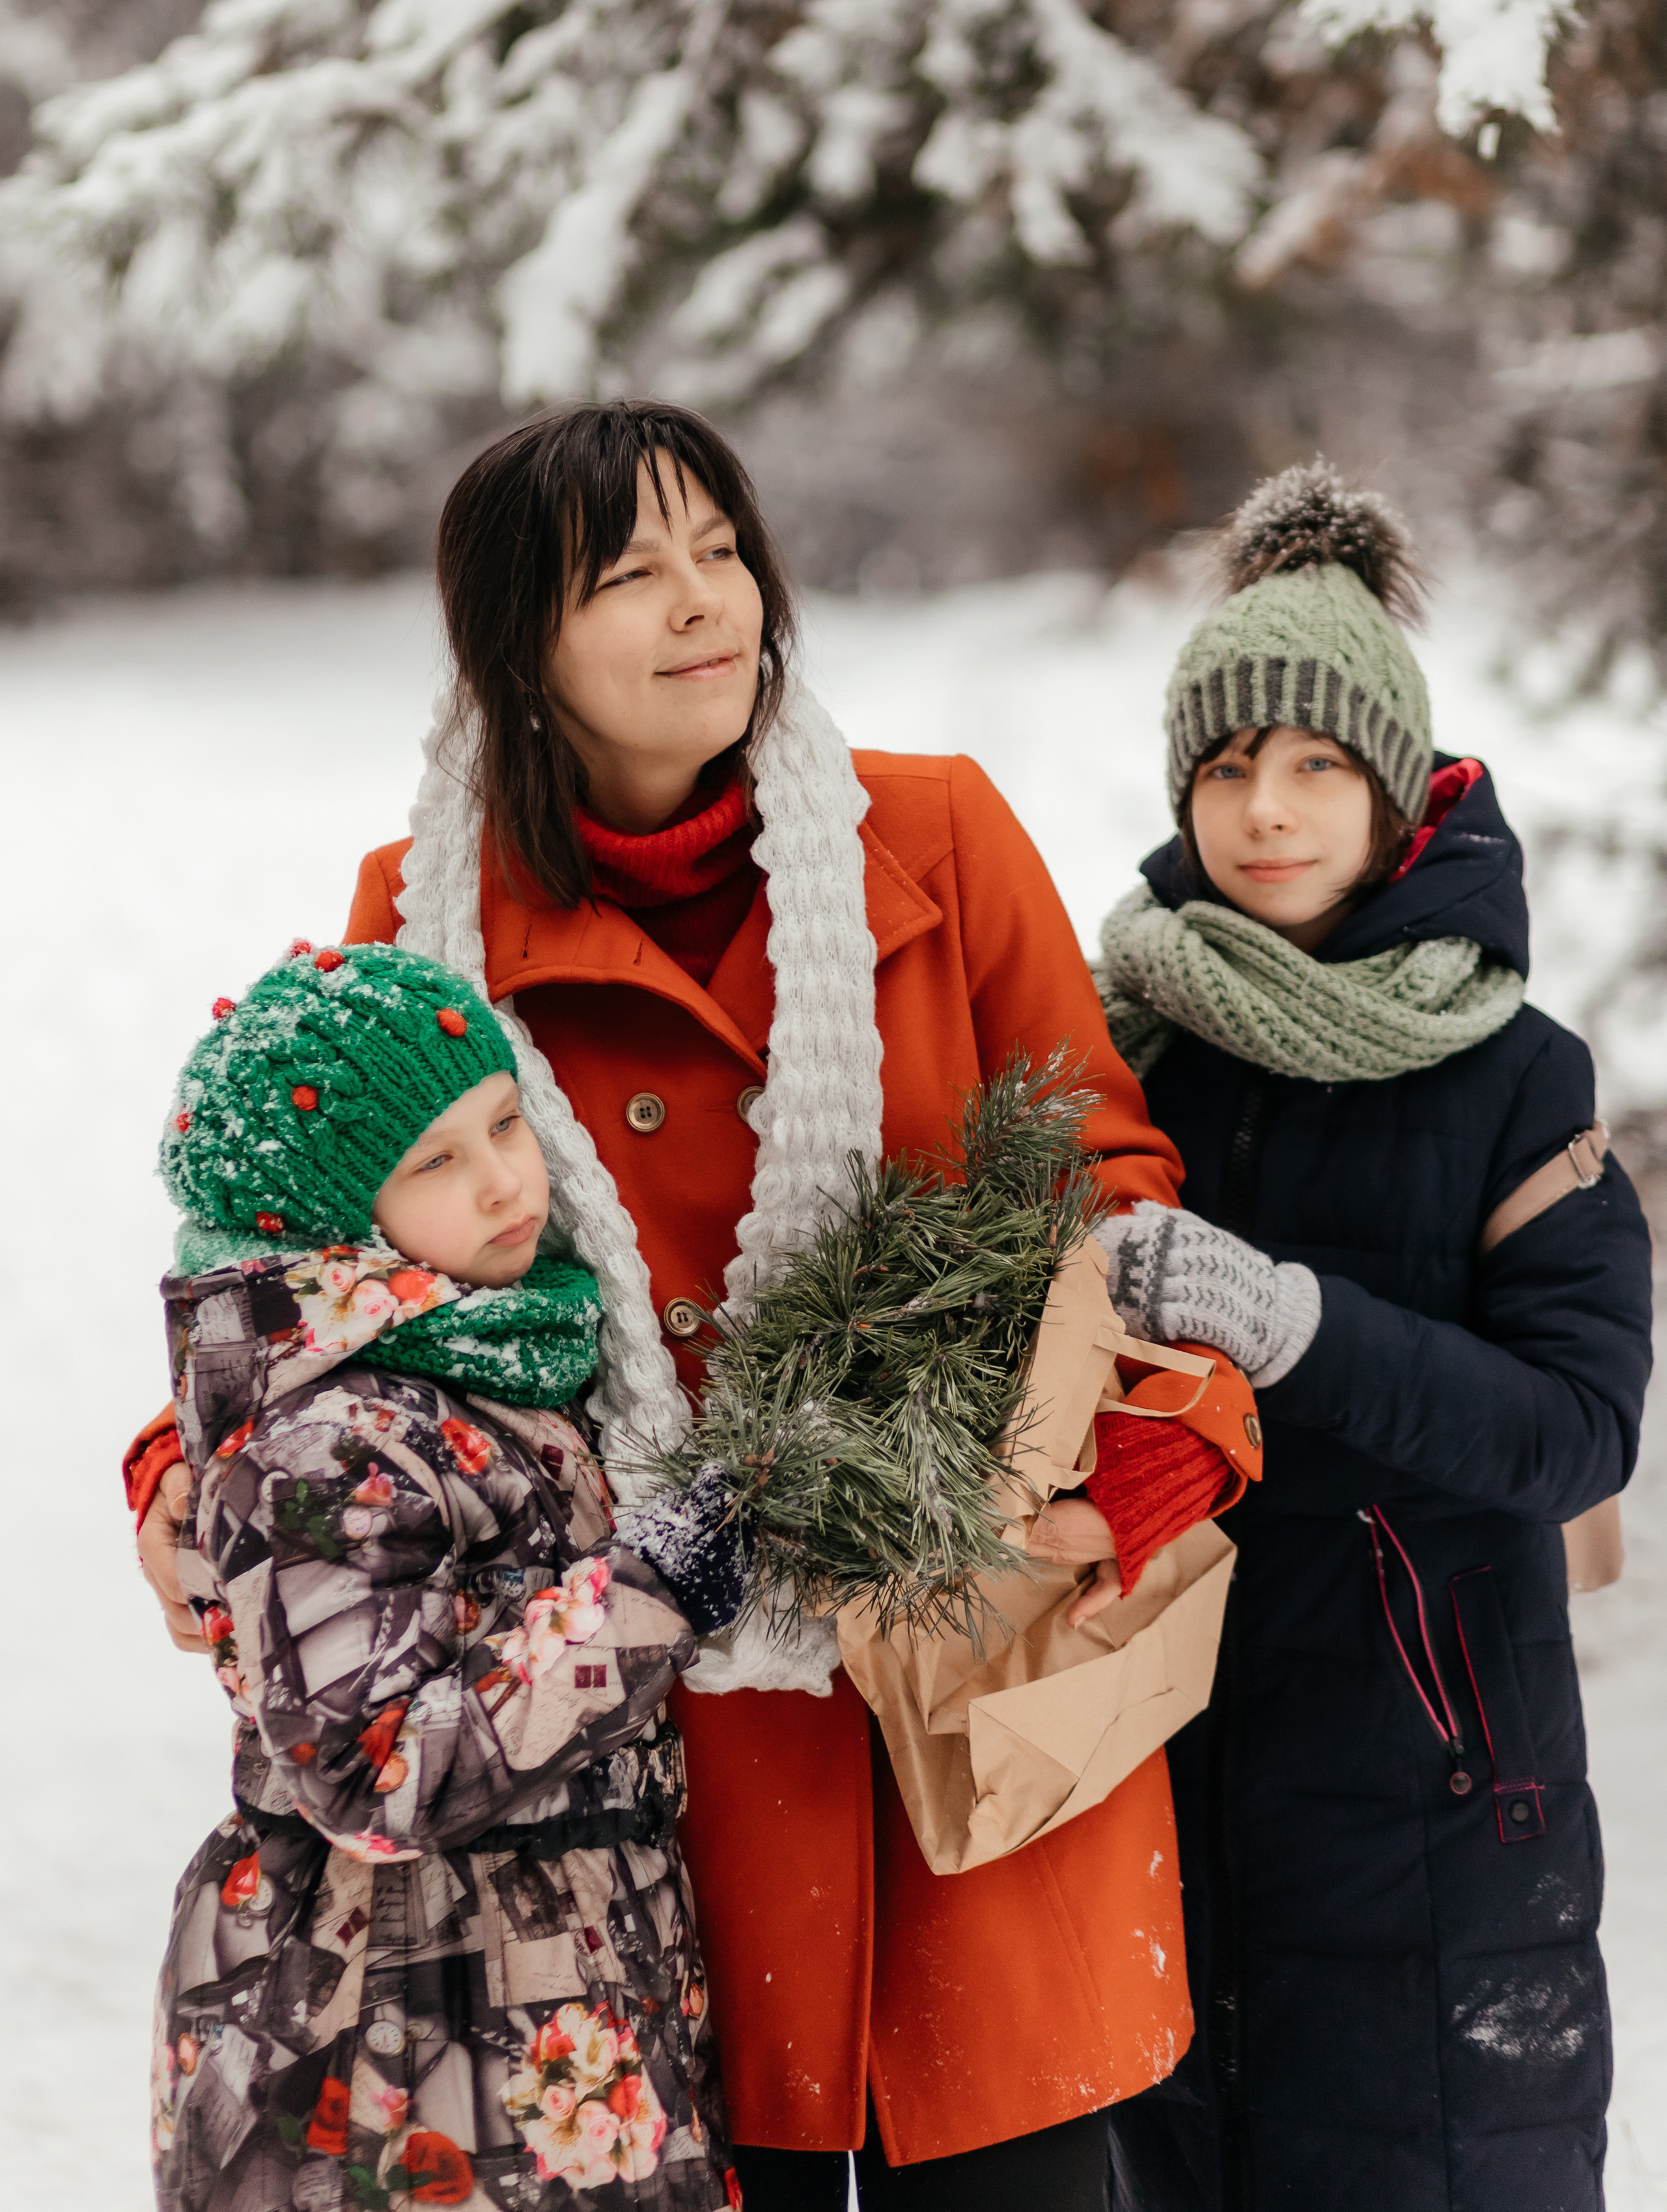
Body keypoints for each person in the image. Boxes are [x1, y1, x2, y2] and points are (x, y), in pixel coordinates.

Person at [129, 398, 1270, 2210]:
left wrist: (1160, 1442)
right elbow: (330, 1242)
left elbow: (1112, 1188)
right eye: (630, 575)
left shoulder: (936, 834)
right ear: (520, 646)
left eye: (721, 551)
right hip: (672, 1766)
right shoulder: (423, 912)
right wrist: (187, 1466)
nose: (703, 603)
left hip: (976, 1673)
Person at [1086, 463, 1654, 2211]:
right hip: (1159, 1801)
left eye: (1316, 763)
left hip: (1439, 1827)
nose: (1264, 809)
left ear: (1394, 788)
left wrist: (1291, 1327)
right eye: (1226, 767)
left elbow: (1573, 1428)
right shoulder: (1123, 1056)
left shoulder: (1515, 1076)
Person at [149, 938, 751, 2211]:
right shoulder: (331, 1439)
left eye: (505, 1124)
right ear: (326, 1218)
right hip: (396, 2046)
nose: (502, 1181)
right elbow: (371, 1767)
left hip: (541, 2016)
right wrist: (648, 1595)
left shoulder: (494, 1354)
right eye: (435, 1162)